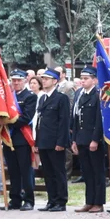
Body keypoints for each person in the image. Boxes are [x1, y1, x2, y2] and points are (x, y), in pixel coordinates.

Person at [34, 68, 71, 211]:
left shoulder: (61, 98)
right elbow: (39, 122)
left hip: (55, 142)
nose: (44, 81)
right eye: (43, 78)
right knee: (48, 173)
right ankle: (52, 200)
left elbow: (64, 122)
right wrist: (37, 142)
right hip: (44, 141)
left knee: (58, 172)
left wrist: (61, 142)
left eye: (47, 78)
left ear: (55, 81)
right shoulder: (43, 98)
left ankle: (61, 201)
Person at [71, 67, 105, 213]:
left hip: (93, 139)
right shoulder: (79, 94)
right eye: (82, 78)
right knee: (87, 172)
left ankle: (98, 202)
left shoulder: (99, 95)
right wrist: (74, 140)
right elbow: (75, 118)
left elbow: (99, 119)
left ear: (94, 80)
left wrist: (95, 139)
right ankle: (89, 201)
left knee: (97, 172)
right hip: (81, 138)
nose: (83, 81)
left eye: (86, 78)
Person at [1, 70, 36, 210]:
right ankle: (15, 199)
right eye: (13, 80)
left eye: (19, 80)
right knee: (13, 171)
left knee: (25, 171)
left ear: (25, 81)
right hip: (9, 138)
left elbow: (26, 118)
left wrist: (6, 120)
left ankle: (29, 200)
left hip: (22, 138)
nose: (16, 83)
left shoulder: (30, 97)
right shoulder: (8, 97)